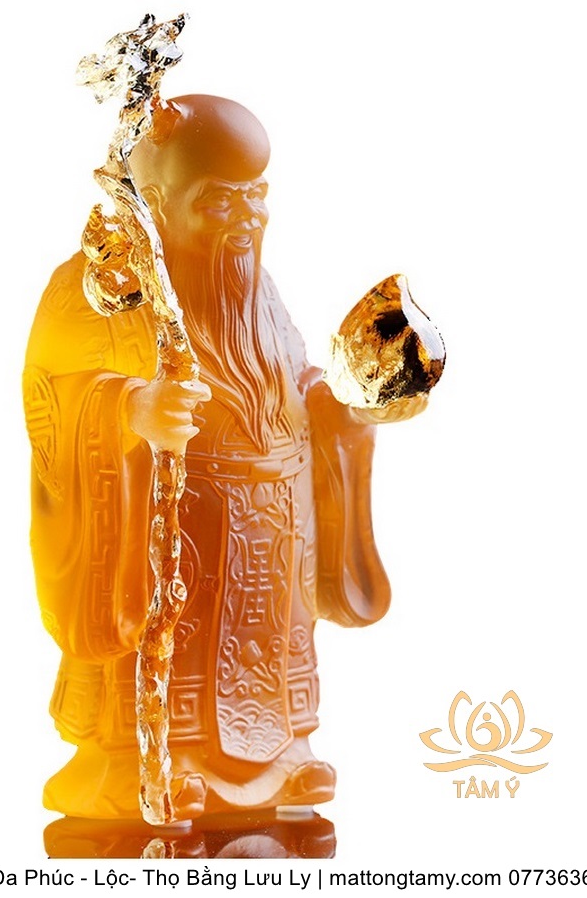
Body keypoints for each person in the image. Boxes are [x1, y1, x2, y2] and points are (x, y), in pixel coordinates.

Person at [24, 95, 418, 821]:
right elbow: (56, 394)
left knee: (265, 636)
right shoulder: (100, 290)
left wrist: (352, 407)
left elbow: (294, 384)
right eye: (219, 202)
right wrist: (129, 409)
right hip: (171, 517)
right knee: (174, 634)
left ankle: (281, 758)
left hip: (270, 524)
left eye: (256, 197)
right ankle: (149, 757)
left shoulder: (257, 289)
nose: (246, 219)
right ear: (158, 205)